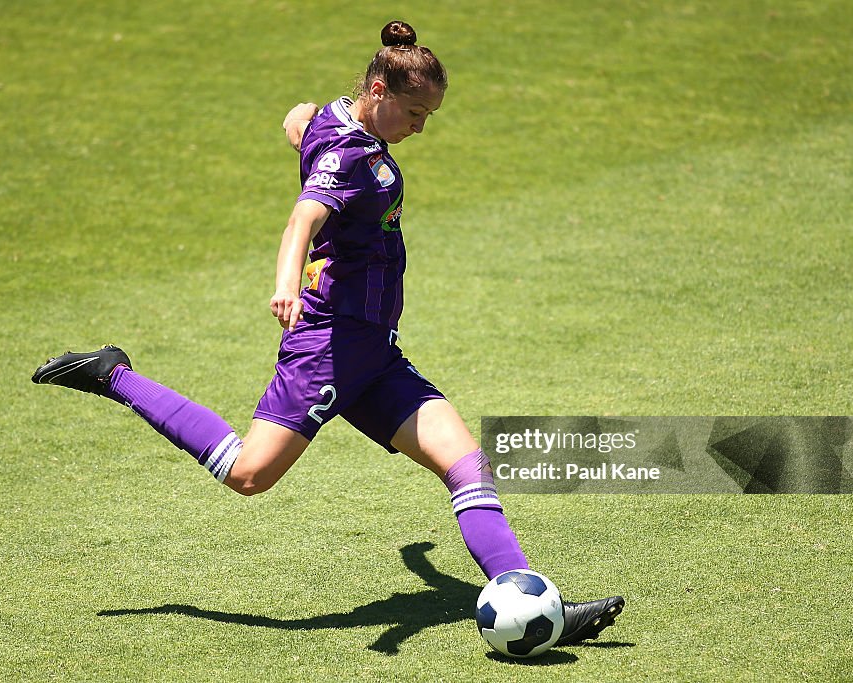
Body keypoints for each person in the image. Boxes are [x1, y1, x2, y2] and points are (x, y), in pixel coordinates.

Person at [32, 20, 624, 646]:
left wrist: (301, 133)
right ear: (378, 90)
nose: (422, 125)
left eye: (430, 113)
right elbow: (301, 222)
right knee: (247, 474)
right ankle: (114, 374)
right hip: (327, 349)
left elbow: (299, 117)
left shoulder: (335, 123)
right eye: (416, 112)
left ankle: (536, 605)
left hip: (372, 352)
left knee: (466, 464)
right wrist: (287, 282)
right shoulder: (349, 158)